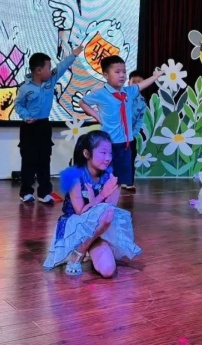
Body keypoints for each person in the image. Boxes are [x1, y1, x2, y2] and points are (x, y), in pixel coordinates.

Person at [43, 131, 142, 277]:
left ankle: (86, 249)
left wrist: (102, 195)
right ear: (86, 153)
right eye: (103, 153)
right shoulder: (74, 175)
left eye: (110, 153)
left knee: (108, 270)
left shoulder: (112, 177)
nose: (108, 158)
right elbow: (80, 213)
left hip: (99, 231)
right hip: (76, 227)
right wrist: (102, 194)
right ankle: (79, 251)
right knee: (105, 212)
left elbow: (109, 211)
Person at [79, 56, 163, 190]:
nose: (122, 75)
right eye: (117, 72)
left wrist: (156, 76)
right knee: (106, 178)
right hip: (109, 143)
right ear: (106, 75)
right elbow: (83, 102)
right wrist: (97, 116)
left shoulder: (129, 91)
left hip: (126, 143)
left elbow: (143, 84)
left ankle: (115, 199)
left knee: (120, 179)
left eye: (124, 71)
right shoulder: (101, 93)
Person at [14, 45, 83, 204]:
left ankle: (44, 193)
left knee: (44, 160)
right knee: (29, 161)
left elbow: (62, 67)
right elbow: (18, 105)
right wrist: (26, 116)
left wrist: (73, 55)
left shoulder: (50, 80)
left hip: (44, 126)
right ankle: (26, 192)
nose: (51, 70)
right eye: (48, 67)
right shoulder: (25, 88)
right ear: (39, 70)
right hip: (28, 128)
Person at [122, 70, 148, 192]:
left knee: (130, 158)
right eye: (134, 82)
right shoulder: (122, 95)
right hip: (116, 134)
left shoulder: (142, 101)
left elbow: (140, 119)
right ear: (129, 82)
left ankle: (129, 182)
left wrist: (133, 133)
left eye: (140, 82)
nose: (137, 84)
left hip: (130, 136)